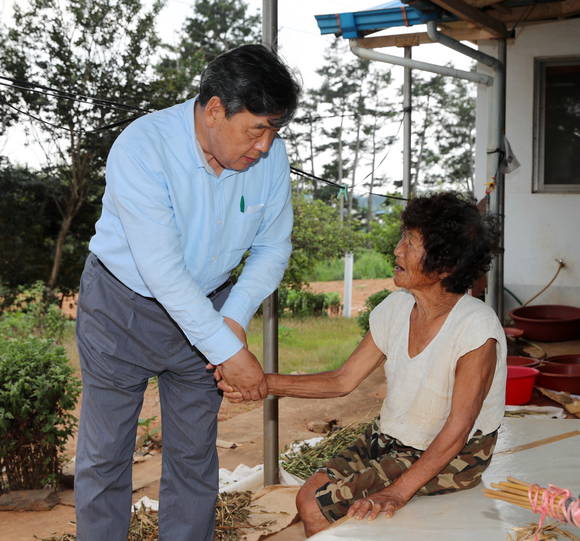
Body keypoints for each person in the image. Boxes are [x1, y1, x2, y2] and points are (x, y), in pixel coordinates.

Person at [75, 44, 300, 541]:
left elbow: (272, 247)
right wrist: (228, 352)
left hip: (211, 306)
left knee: (195, 456)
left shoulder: (270, 159)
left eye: (274, 130)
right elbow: (162, 269)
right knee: (106, 455)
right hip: (121, 309)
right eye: (256, 130)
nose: (265, 146)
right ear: (215, 109)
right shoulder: (144, 146)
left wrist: (232, 320)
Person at [218, 192, 506, 538]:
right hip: (394, 436)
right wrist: (261, 384)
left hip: (455, 455)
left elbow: (458, 431)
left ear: (444, 266)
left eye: (410, 243)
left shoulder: (475, 328)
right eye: (402, 239)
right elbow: (342, 380)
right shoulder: (396, 308)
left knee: (318, 506)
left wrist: (397, 492)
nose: (397, 250)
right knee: (307, 495)